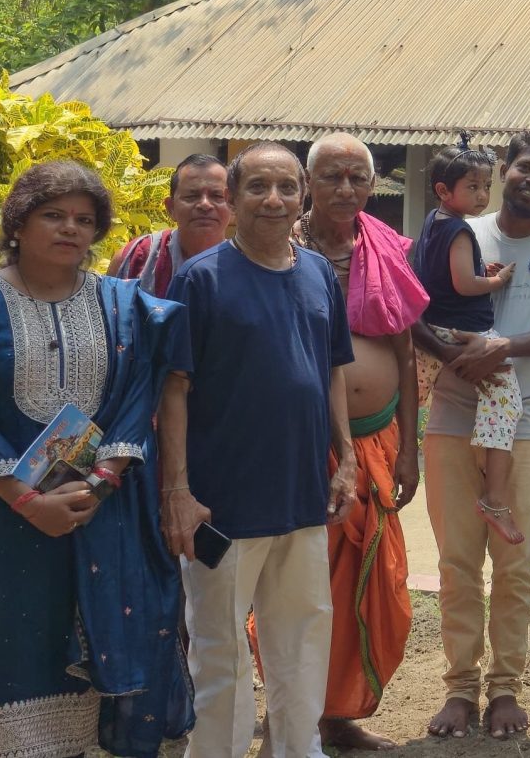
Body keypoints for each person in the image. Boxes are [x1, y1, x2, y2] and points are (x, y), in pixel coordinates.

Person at [0, 160, 190, 758]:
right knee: (0, 649)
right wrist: (30, 502)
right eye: (53, 215)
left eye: (84, 220)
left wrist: (100, 485)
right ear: (18, 222)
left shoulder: (124, 304)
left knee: (100, 654)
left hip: (99, 514)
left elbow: (139, 393)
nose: (70, 229)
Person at [162, 143, 357, 758]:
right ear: (235, 199)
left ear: (302, 198)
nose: (273, 200)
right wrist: (179, 491)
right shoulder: (201, 279)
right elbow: (175, 388)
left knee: (302, 643)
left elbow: (331, 371)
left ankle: (299, 751)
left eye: (286, 188)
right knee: (220, 652)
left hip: (301, 496)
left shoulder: (317, 272)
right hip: (223, 505)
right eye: (257, 188)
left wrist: (346, 456)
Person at [417, 131, 530, 741]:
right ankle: (460, 689)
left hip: (525, 423)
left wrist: (504, 347)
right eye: (525, 167)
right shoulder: (458, 231)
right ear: (504, 170)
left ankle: (505, 689)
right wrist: (447, 352)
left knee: (515, 564)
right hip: (451, 412)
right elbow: (413, 307)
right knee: (456, 561)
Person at [292, 135, 428, 750]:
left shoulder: (389, 250)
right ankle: (295, 710)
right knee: (303, 579)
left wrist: (410, 448)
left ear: (372, 186)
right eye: (331, 177)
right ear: (308, 183)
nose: (345, 189)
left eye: (357, 178)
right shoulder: (281, 252)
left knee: (374, 587)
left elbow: (406, 357)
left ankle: (336, 715)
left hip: (379, 442)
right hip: (301, 446)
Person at [409, 146, 524, 545]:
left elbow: (445, 274)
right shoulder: (460, 229)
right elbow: (463, 285)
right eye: (472, 186)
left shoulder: (434, 222)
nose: (482, 196)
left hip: (435, 327)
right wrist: (495, 281)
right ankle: (494, 497)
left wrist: (478, 271)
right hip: (462, 332)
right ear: (444, 190)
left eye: (486, 186)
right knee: (506, 403)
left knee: (413, 394)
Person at [111, 151, 227, 296]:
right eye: (192, 196)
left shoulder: (247, 266)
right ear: (171, 208)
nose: (204, 204)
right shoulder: (135, 259)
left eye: (217, 196)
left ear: (233, 206)